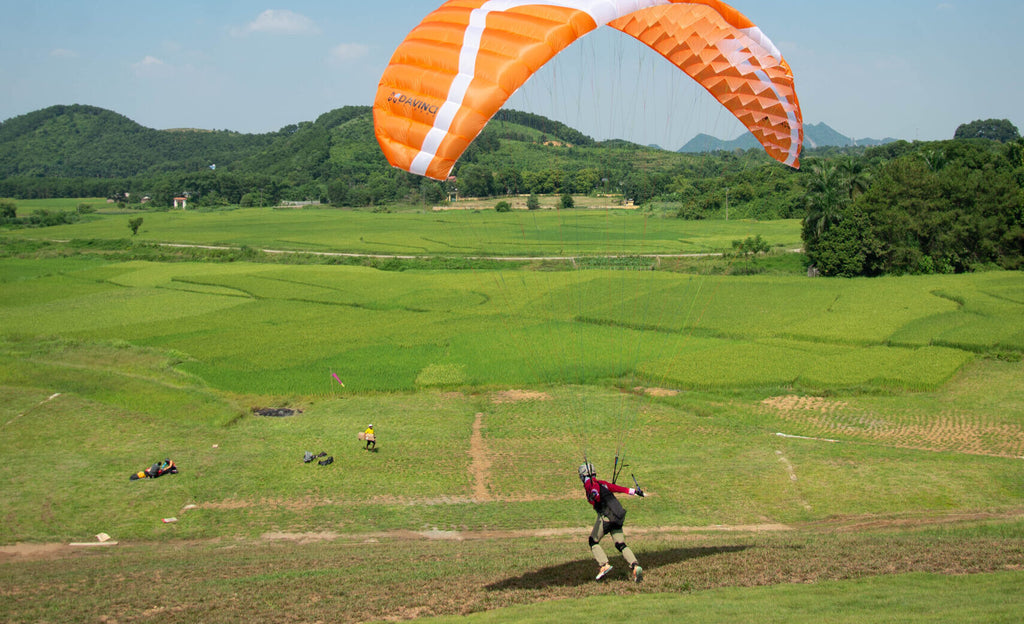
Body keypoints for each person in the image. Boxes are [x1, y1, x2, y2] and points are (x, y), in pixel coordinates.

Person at [578, 462, 644, 582]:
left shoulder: (589, 484)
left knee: (593, 541)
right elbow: (618, 488)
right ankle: (635, 566)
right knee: (620, 544)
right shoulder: (602, 483)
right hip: (618, 515)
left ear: (583, 476)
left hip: (607, 516)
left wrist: (594, 495)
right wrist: (635, 491)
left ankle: (604, 564)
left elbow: (594, 490)